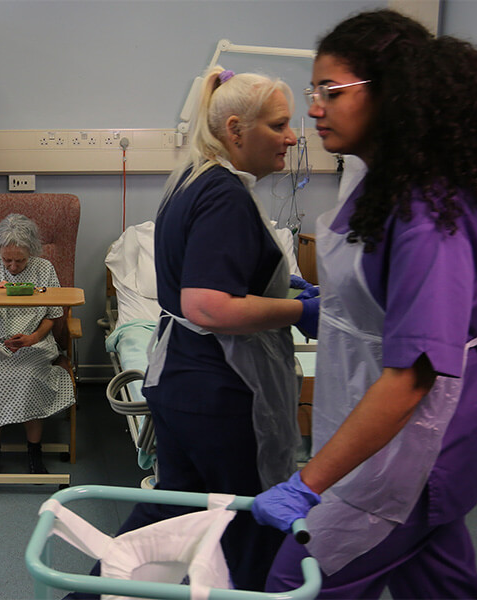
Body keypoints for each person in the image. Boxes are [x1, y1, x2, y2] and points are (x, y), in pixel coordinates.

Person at [252, 10, 477, 599]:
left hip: (419, 436)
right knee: (437, 580)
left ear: (393, 95)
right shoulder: (384, 183)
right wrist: (330, 303)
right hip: (384, 411)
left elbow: (413, 377)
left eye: (332, 91)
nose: (314, 108)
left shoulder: (428, 213)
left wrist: (308, 484)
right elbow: (385, 299)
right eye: (315, 91)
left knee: (297, 581)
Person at [101, 66, 318, 592]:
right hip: (218, 389)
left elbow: (204, 269)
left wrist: (273, 279)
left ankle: (87, 590)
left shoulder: (193, 176)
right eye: (280, 125)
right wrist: (300, 312)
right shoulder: (225, 194)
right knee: (247, 522)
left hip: (180, 380)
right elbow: (207, 306)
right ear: (237, 129)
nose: (293, 137)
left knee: (173, 512)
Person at [0, 213, 75, 475]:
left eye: (20, 260)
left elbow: (53, 314)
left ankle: (34, 452)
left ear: (31, 253)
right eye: (7, 260)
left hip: (32, 342)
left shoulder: (44, 269)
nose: (13, 267)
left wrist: (33, 338)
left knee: (29, 374)